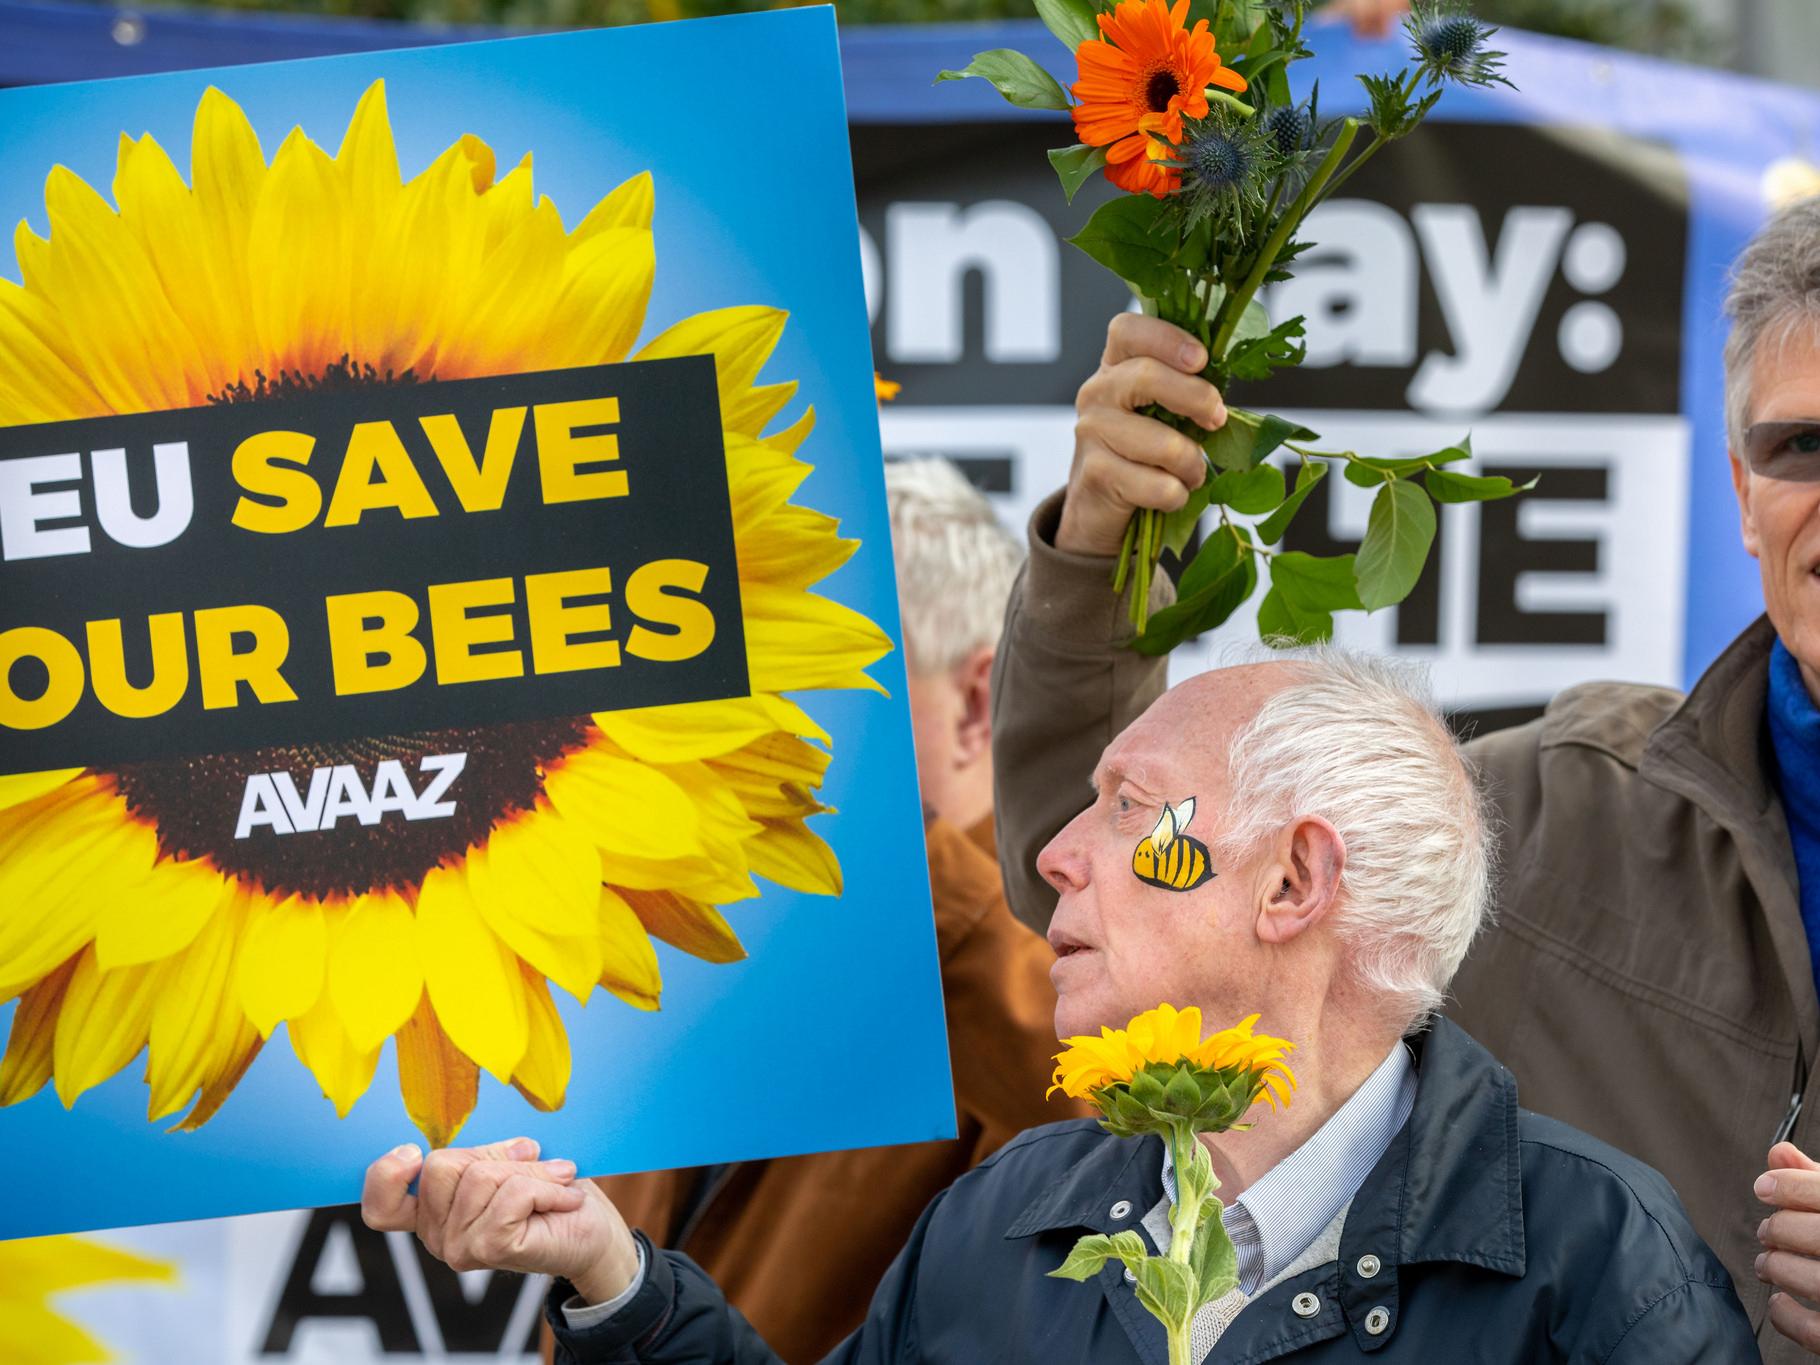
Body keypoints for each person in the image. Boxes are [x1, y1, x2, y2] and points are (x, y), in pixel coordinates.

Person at [364, 649, 1754, 1361]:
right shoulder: (1008, 1215)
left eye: (1132, 810)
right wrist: (612, 1275)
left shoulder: (1595, 1263)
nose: (1054, 853)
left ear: (1293, 881)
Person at [984, 196, 1820, 1362]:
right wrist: (1097, 549)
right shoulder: (1565, 815)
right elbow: (1123, 893)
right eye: (1803, 448)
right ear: (1741, 494)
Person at [526, 456, 1079, 1365]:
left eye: (811, 676)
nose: (753, 727)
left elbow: (1147, 1145)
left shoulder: (1058, 944)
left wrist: (895, 849)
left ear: (975, 703)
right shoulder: (726, 909)